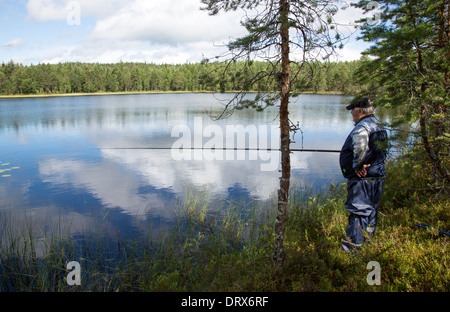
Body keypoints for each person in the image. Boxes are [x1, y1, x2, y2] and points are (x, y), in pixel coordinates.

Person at [339, 96, 388, 253]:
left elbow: (360, 146)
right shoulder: (379, 125)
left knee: (359, 210)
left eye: (352, 110)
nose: (351, 113)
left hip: (363, 179)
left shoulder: (363, 126)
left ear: (359, 110)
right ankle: (368, 242)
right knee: (371, 209)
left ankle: (352, 249)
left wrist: (357, 166)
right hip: (376, 177)